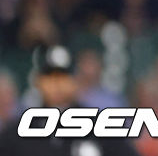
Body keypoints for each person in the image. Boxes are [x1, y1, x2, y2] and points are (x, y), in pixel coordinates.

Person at [0, 45, 141, 156]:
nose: (57, 85)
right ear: (39, 82)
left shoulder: (101, 126)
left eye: (63, 77)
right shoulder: (18, 132)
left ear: (75, 80)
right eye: (51, 78)